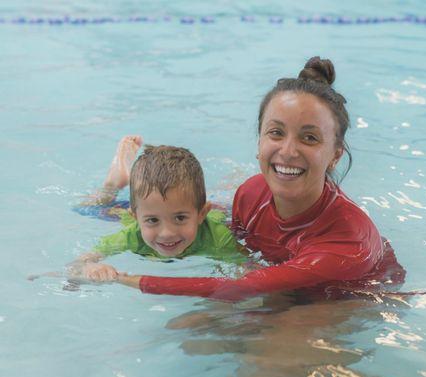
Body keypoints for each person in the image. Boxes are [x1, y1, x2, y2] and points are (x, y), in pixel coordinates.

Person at [109, 56, 404, 301]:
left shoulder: (347, 242)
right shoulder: (250, 194)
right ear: (259, 141)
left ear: (335, 155)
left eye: (310, 138)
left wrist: (123, 279)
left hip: (349, 300)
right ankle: (113, 187)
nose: (287, 151)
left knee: (267, 360)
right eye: (276, 133)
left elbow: (240, 287)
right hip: (279, 284)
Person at [68, 139, 240, 281]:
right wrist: (89, 268)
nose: (166, 233)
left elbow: (247, 269)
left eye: (180, 218)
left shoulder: (218, 238)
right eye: (153, 220)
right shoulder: (132, 235)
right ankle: (113, 183)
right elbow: (77, 265)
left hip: (218, 209)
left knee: (228, 197)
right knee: (88, 208)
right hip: (139, 207)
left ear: (202, 214)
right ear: (135, 218)